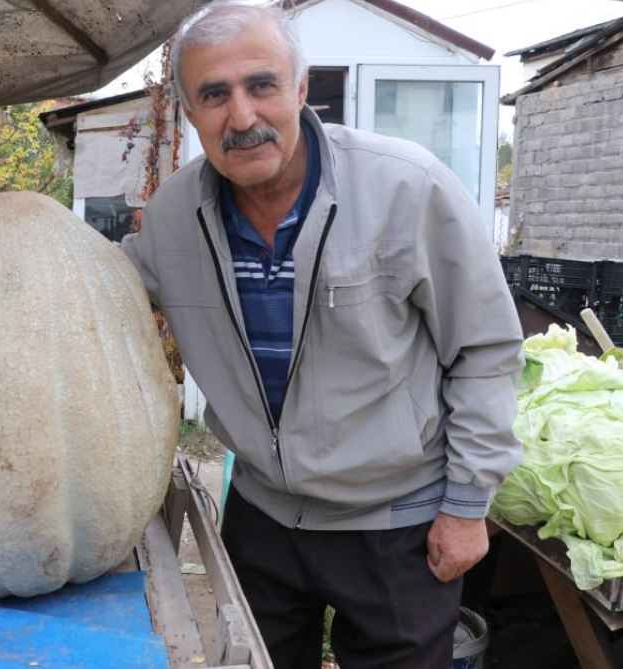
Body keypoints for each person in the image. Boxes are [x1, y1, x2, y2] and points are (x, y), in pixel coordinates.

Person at [119, 2, 524, 667]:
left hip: (398, 522)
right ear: (189, 113)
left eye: (261, 85)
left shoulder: (406, 187)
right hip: (261, 518)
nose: (242, 116)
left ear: (300, 89)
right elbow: (99, 295)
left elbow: (482, 350)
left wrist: (465, 503)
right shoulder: (170, 220)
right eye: (214, 95)